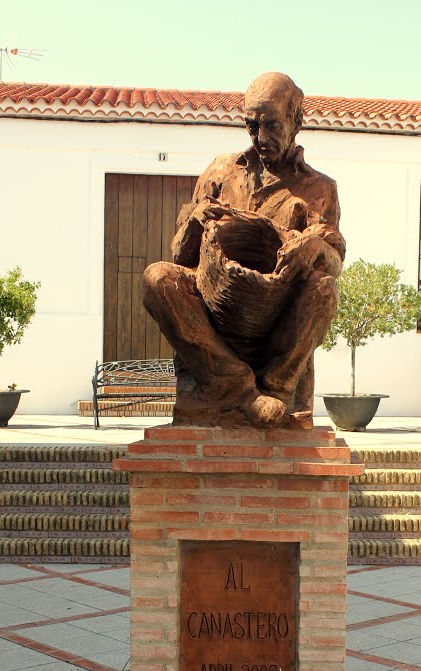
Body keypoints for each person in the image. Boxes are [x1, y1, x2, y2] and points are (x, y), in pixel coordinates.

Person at [142, 71, 345, 428]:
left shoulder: (320, 189)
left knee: (324, 290)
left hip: (277, 320)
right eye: (251, 126)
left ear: (296, 120)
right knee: (158, 279)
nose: (260, 137)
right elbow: (180, 255)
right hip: (214, 314)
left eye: (272, 126)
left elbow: (335, 259)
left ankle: (276, 388)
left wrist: (313, 245)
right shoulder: (221, 170)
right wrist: (195, 221)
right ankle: (242, 393)